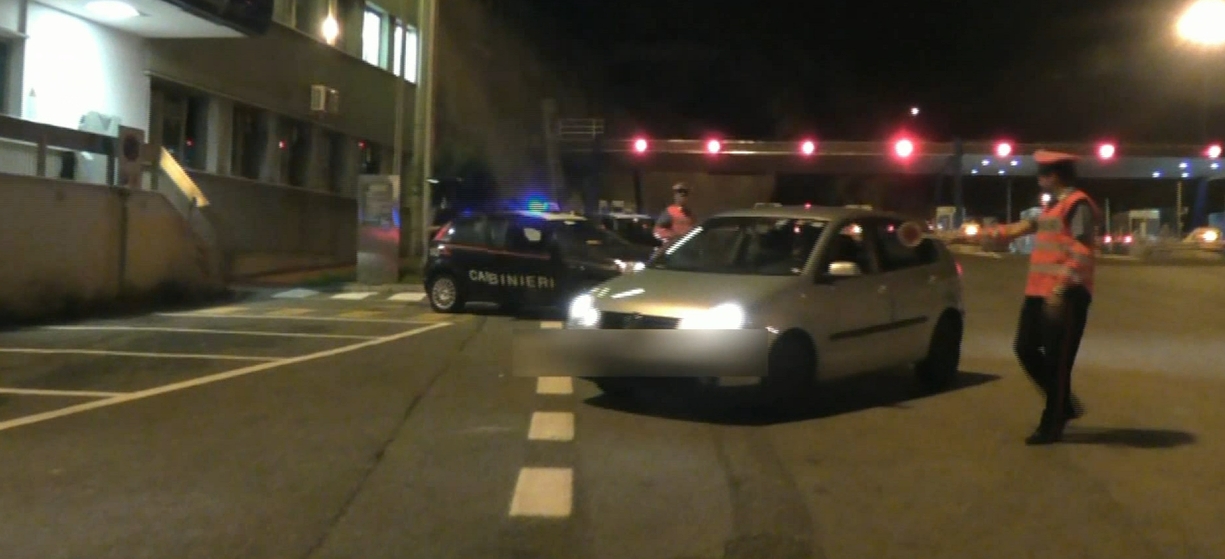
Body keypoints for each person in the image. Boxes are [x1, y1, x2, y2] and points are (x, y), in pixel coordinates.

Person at [976, 150, 1101, 445]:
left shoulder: (1077, 205)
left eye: (1041, 174)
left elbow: (1083, 251)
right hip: (1037, 293)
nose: (1038, 180)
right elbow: (1015, 229)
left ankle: (1052, 423)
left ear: (1054, 176)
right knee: (1025, 347)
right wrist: (975, 234)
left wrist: (1060, 288)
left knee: (1058, 361)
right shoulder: (1049, 209)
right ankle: (1064, 405)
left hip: (1066, 294)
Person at [653, 182, 696, 247]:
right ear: (675, 195)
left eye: (685, 193)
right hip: (674, 249)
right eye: (680, 192)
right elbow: (657, 231)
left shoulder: (690, 214)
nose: (683, 194)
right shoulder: (670, 211)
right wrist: (673, 236)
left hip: (688, 249)